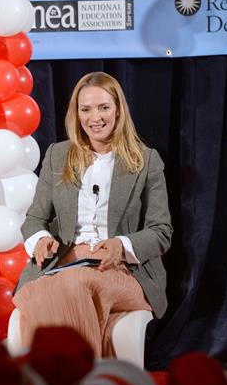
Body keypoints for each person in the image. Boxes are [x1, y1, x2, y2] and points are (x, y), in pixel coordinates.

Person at [13, 71, 173, 358]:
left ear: (118, 110)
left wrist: (121, 245)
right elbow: (34, 219)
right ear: (76, 113)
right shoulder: (57, 155)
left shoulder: (146, 160)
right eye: (85, 109)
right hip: (63, 264)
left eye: (103, 107)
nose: (94, 117)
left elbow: (161, 231)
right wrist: (40, 240)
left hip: (124, 271)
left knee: (75, 283)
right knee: (42, 290)